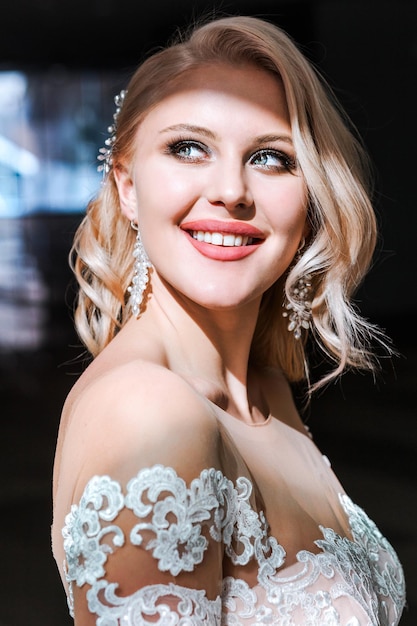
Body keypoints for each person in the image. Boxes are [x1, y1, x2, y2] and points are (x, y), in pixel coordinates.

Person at [51, 14, 406, 625]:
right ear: (128, 186)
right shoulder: (149, 411)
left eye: (271, 158)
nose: (231, 191)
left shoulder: (268, 393)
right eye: (189, 148)